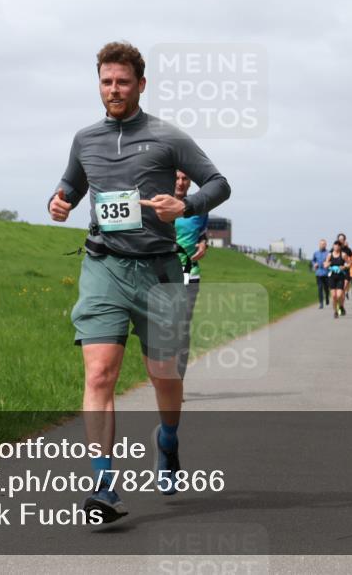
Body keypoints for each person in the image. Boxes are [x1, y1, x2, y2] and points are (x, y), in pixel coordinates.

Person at [49, 41, 230, 522]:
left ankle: (167, 441)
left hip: (159, 272)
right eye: (106, 81)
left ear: (140, 85)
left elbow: (218, 184)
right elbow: (70, 184)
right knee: (100, 374)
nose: (114, 89)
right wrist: (60, 201)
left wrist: (186, 206)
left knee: (164, 377)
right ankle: (104, 485)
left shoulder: (168, 137)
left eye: (123, 82)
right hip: (104, 266)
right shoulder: (85, 139)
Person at [174, 170, 208, 325]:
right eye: (177, 178)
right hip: (163, 273)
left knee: (184, 323)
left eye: (185, 178)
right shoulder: (160, 203)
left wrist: (203, 244)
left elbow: (202, 233)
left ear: (190, 182)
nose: (181, 183)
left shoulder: (199, 208)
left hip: (190, 273)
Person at [324, 241, 348, 318]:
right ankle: (335, 311)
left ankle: (341, 306)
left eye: (338, 246)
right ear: (333, 246)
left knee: (339, 295)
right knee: (334, 296)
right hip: (332, 277)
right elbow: (325, 264)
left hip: (340, 276)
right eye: (335, 245)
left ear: (340, 247)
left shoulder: (343, 255)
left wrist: (344, 267)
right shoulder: (330, 255)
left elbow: (350, 263)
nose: (336, 247)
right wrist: (327, 265)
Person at [311, 239, 330, 309]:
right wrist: (314, 264)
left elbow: (331, 261)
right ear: (319, 245)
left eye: (324, 244)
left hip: (326, 273)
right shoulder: (316, 253)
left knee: (326, 288)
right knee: (320, 288)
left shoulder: (328, 253)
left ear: (326, 245)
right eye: (321, 244)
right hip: (318, 273)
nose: (322, 245)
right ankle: (321, 303)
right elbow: (313, 260)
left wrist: (328, 263)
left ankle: (327, 297)